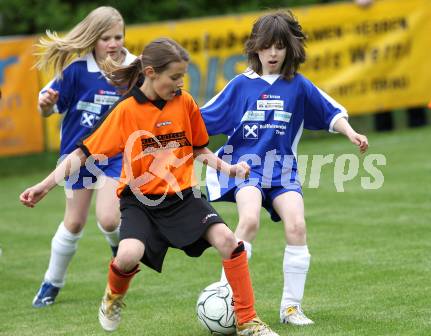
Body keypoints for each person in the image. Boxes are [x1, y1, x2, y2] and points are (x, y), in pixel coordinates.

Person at [20, 37, 280, 336]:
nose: (180, 83)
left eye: (182, 76)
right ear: (151, 72)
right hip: (140, 201)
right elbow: (82, 154)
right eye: (174, 77)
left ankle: (248, 321)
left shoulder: (184, 103)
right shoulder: (126, 111)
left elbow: (198, 149)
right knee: (128, 255)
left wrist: (229, 168)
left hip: (183, 196)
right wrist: (44, 185)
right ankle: (112, 298)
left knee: (228, 242)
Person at [201, 11, 368, 327]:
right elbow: (200, 119)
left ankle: (291, 308)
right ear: (256, 49)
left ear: (290, 48)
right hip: (245, 170)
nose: (273, 53)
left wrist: (351, 132)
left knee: (297, 226)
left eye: (279, 46)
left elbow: (331, 112)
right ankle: (227, 296)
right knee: (248, 221)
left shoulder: (298, 86)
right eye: (266, 47)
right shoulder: (240, 86)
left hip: (282, 171)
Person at [31, 6, 137, 308]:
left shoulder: (135, 68)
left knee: (108, 219)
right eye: (106, 38)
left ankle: (121, 255)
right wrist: (46, 104)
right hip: (78, 155)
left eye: (118, 36)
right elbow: (49, 108)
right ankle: (52, 283)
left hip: (116, 156)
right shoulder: (77, 70)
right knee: (74, 223)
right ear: (92, 39)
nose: (113, 44)